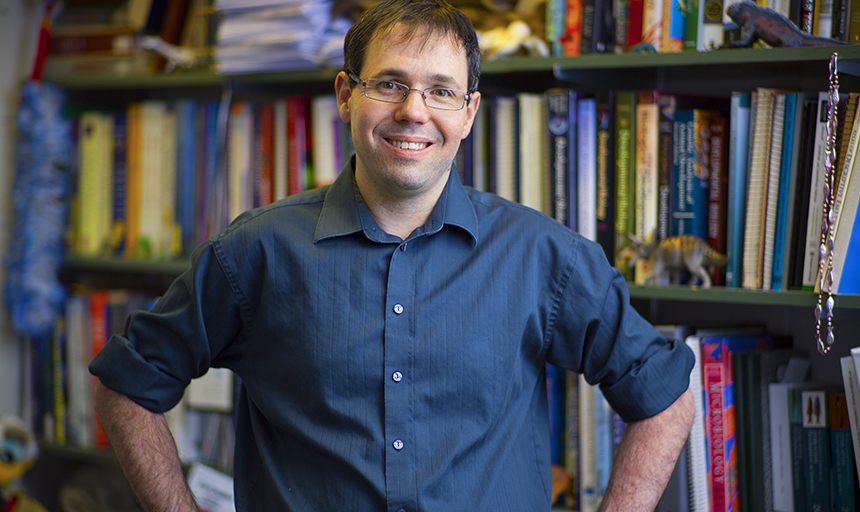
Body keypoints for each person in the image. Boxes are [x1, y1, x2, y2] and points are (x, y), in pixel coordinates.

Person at [90, 0, 695, 510]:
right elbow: (125, 386)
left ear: (468, 114)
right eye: (389, 84)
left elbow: (665, 398)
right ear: (345, 96)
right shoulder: (254, 253)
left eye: (440, 91)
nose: (414, 110)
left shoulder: (541, 256)